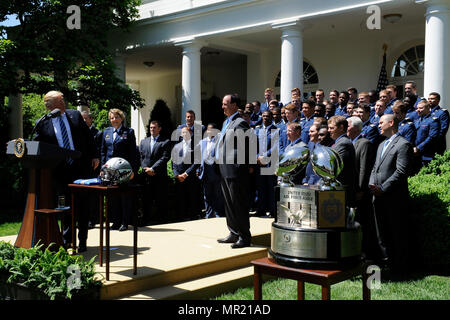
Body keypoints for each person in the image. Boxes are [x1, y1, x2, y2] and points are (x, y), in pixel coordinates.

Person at [34, 91, 99, 252]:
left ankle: (82, 241)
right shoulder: (43, 123)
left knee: (83, 206)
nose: (64, 103)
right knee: (65, 207)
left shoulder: (75, 115)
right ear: (51, 106)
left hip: (81, 167)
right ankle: (67, 240)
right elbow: (38, 146)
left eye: (63, 99)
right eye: (60, 100)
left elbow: (88, 137)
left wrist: (95, 156)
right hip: (60, 171)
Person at [369, 114, 413, 271]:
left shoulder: (403, 144)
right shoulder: (381, 145)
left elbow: (401, 171)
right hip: (378, 195)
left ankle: (399, 267)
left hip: (394, 198)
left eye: (381, 123)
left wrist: (383, 188)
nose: (378, 125)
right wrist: (372, 184)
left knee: (396, 232)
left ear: (391, 123)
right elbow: (375, 168)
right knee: (382, 232)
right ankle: (386, 263)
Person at [216, 93, 252, 249]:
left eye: (225, 104)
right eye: (223, 104)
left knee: (238, 204)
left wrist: (241, 166)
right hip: (224, 169)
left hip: (236, 171)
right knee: (229, 204)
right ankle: (233, 232)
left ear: (235, 105)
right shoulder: (226, 122)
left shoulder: (240, 123)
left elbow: (249, 146)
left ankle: (244, 236)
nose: (223, 107)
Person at [101, 108, 139, 231]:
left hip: (124, 170)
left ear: (121, 118)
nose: (114, 120)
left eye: (116, 117)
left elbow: (133, 153)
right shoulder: (106, 132)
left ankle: (124, 222)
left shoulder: (129, 132)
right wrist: (102, 168)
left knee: (124, 197)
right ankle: (115, 221)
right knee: (112, 197)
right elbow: (103, 152)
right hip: (110, 171)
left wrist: (133, 170)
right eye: (112, 118)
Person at [347, 116, 377, 259]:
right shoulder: (350, 143)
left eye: (348, 125)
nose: (345, 128)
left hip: (360, 193)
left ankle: (367, 254)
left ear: (356, 128)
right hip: (351, 191)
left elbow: (364, 169)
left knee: (362, 223)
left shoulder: (364, 143)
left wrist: (360, 189)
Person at [139, 120, 171, 225]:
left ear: (159, 128)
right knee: (146, 199)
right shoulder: (144, 142)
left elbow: (165, 157)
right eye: (151, 128)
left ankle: (161, 220)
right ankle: (145, 219)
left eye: (154, 127)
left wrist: (153, 169)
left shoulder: (165, 141)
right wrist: (145, 169)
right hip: (146, 176)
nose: (152, 129)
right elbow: (141, 157)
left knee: (160, 199)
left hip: (159, 176)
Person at [172, 126, 202, 221]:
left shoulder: (196, 146)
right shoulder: (177, 146)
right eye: (183, 133)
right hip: (179, 178)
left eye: (187, 132)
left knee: (191, 198)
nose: (185, 134)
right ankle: (181, 217)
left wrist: (186, 174)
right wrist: (177, 174)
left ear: (191, 134)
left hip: (190, 177)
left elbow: (197, 161)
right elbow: (174, 162)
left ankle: (192, 217)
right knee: (180, 198)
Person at [328, 115, 357, 207]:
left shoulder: (343, 143)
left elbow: (335, 166)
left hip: (340, 190)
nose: (329, 130)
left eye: (332, 128)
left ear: (341, 128)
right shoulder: (338, 142)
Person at [81, 110, 102, 229]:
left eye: (85, 118)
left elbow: (99, 150)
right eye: (82, 119)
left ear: (91, 119)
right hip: (82, 168)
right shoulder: (78, 132)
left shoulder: (97, 133)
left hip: (94, 168)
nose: (83, 121)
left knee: (93, 195)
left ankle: (92, 219)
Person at [197, 123, 224, 219]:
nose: (210, 131)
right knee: (207, 195)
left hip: (216, 172)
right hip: (205, 173)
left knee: (217, 194)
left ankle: (218, 213)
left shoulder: (219, 142)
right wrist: (197, 169)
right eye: (209, 130)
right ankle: (208, 214)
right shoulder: (202, 142)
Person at [255, 111, 278, 217]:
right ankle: (261, 210)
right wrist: (257, 157)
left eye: (267, 116)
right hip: (259, 163)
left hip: (270, 163)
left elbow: (275, 146)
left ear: (271, 117)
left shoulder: (275, 130)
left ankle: (273, 211)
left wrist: (265, 156)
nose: (265, 118)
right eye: (263, 116)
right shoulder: (257, 130)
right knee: (261, 188)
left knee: (270, 188)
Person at [413, 100, 440, 168]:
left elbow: (432, 137)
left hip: (427, 156)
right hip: (415, 155)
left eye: (421, 108)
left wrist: (419, 148)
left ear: (428, 108)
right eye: (417, 108)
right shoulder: (417, 121)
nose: (418, 110)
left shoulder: (433, 120)